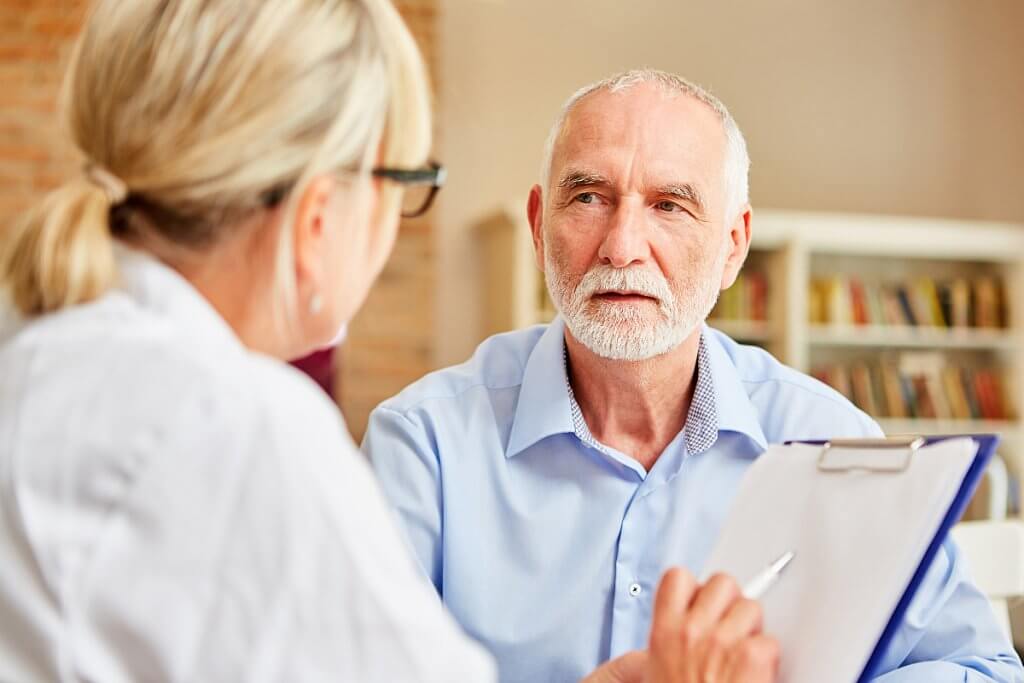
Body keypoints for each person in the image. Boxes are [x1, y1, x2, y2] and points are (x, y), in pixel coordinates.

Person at [0, 3, 780, 682]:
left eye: (670, 206)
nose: (622, 246)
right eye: (406, 187)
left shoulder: (36, 358)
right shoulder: (246, 430)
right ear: (316, 219)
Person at [364, 69, 1024, 682]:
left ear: (733, 245)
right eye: (589, 196)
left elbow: (985, 668)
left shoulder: (833, 441)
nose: (622, 246)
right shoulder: (425, 443)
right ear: (539, 227)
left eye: (670, 206)